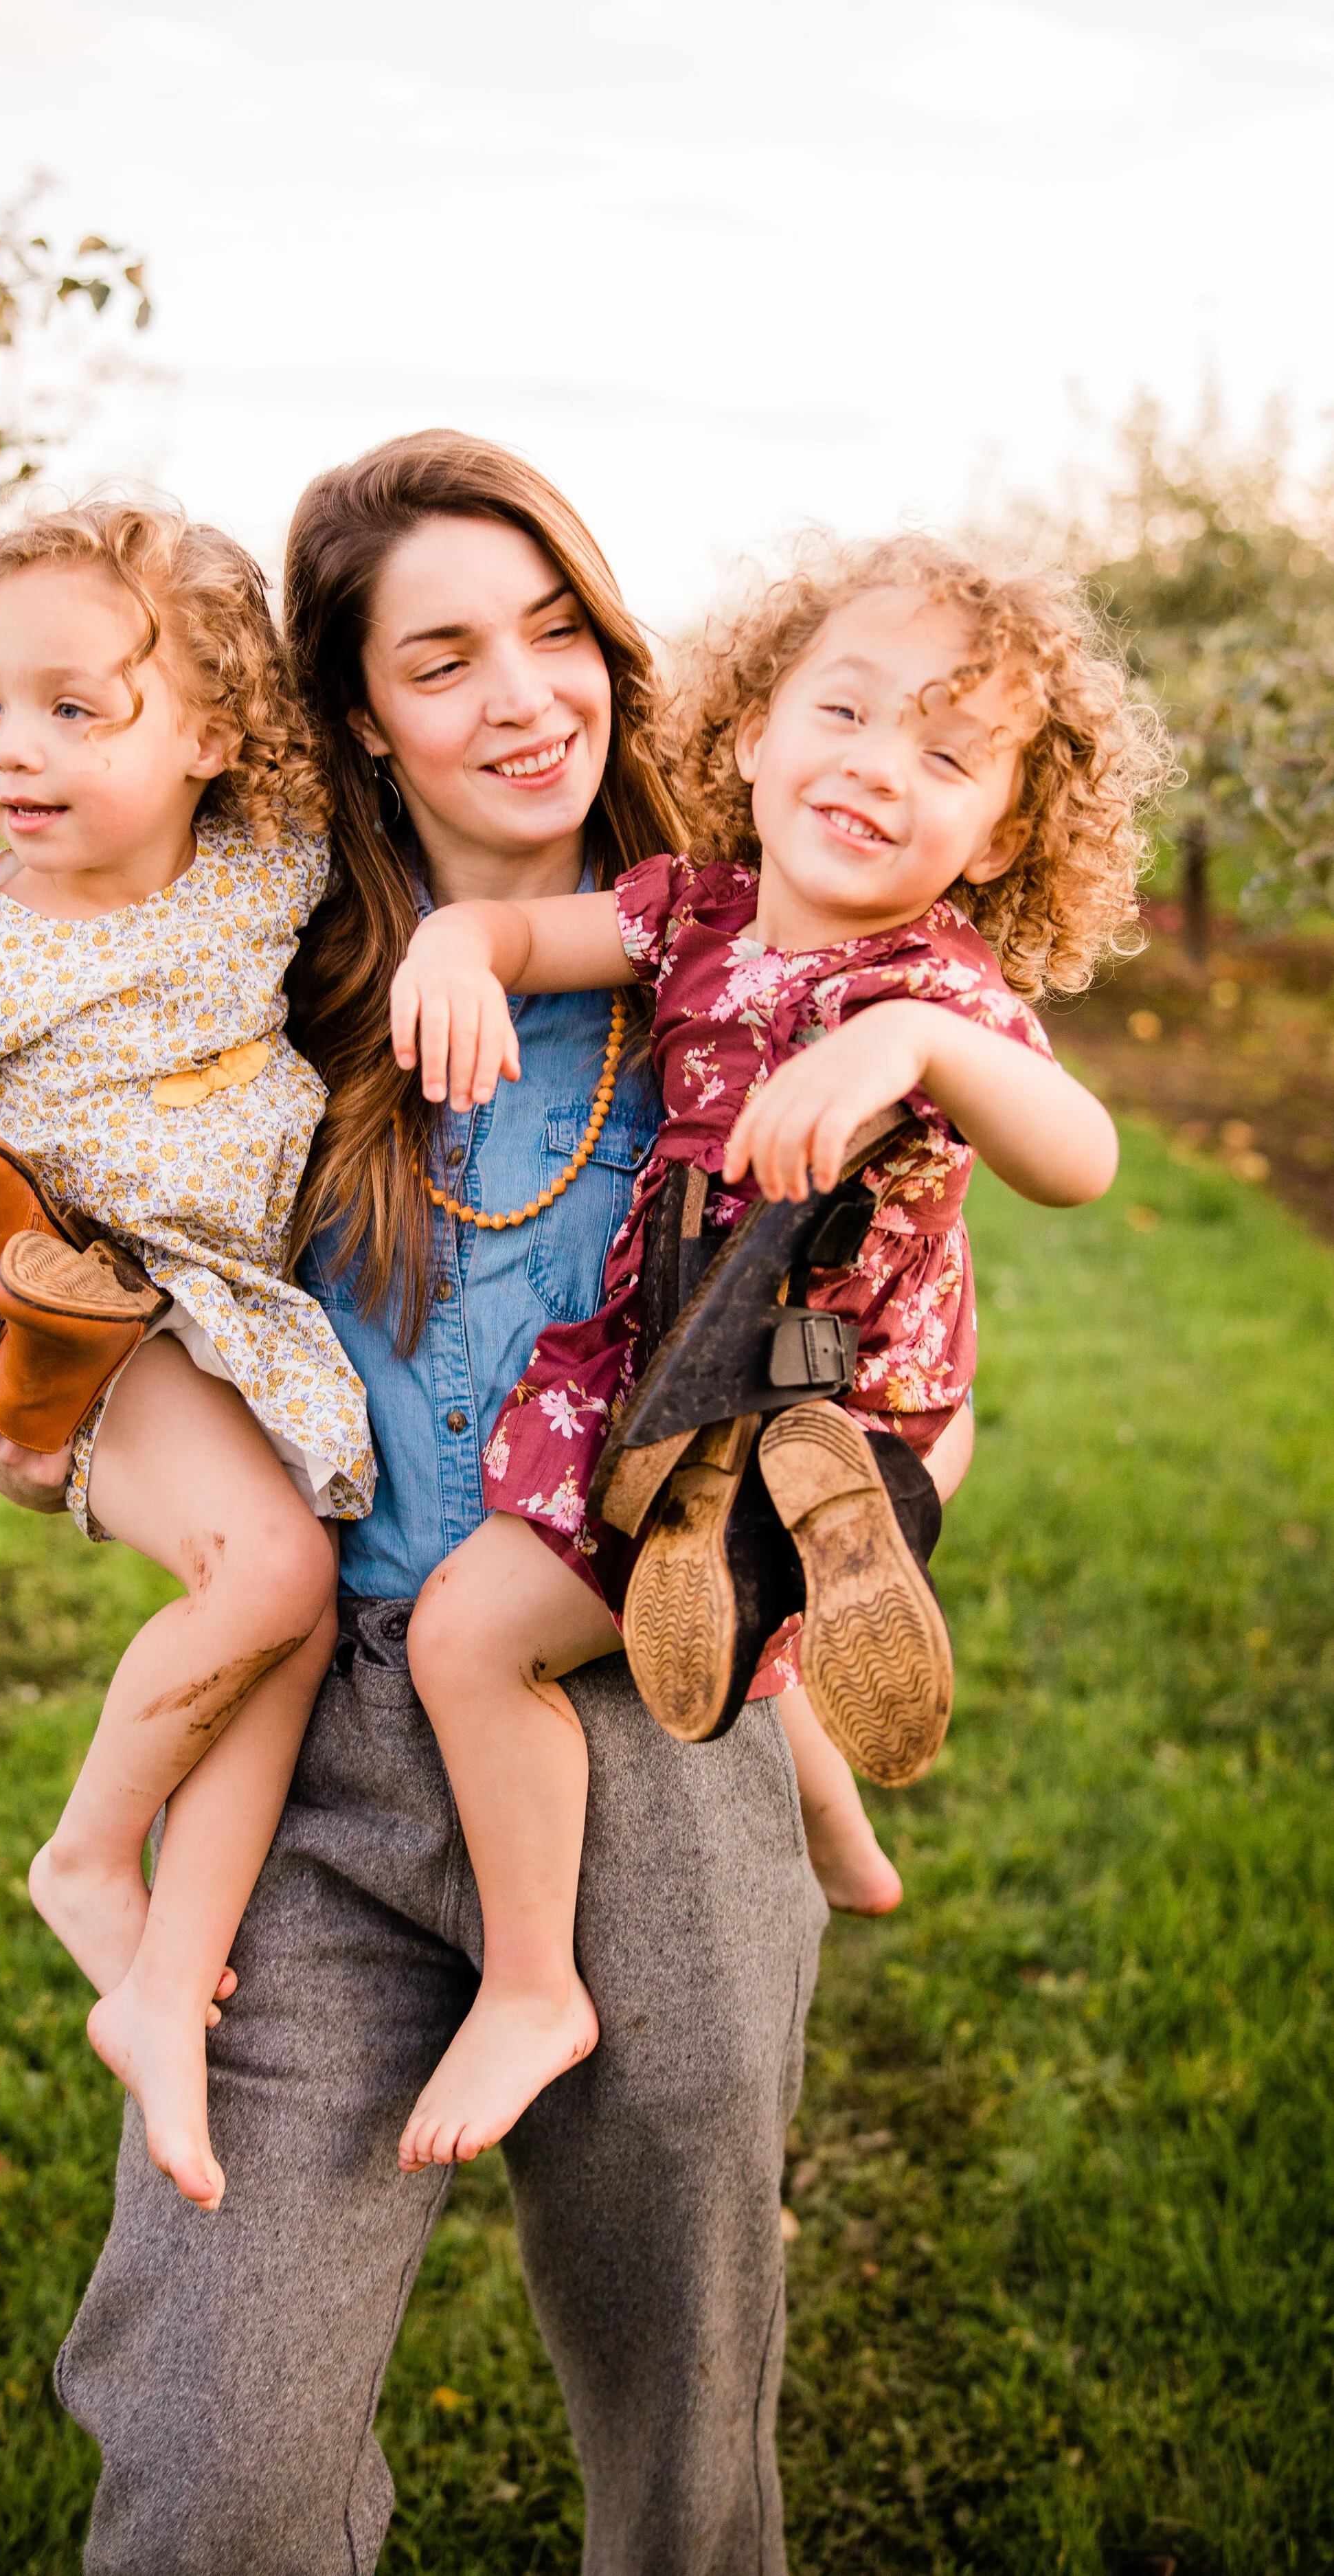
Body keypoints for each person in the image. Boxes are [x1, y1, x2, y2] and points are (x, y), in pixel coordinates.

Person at [0, 433, 830, 2576]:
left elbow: (898, 1372)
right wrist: (46, 1406)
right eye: (442, 658)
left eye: (556, 632)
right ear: (354, 709)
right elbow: (82, 1292)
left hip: (641, 1742)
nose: (524, 694)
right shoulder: (258, 977)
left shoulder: (741, 966)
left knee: (686, 2444)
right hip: (319, 1769)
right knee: (210, 2457)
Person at [389, 535, 1168, 2171]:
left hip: (835, 1381)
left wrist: (916, 1045)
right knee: (721, 1587)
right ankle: (823, 1757)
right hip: (690, 1359)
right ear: (747, 732)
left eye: (946, 757)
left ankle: (536, 1984)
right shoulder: (699, 922)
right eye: (844, 713)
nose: (879, 767)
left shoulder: (940, 985)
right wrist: (454, 946)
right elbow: (531, 939)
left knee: (469, 1635)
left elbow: (1079, 1157)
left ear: (1004, 829)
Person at [0, 501, 374, 2214]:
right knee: (271, 1567)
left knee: (282, 1627)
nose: (16, 749)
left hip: (241, 1314)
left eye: (78, 709)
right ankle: (86, 1858)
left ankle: (167, 1982)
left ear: (212, 737)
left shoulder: (265, 866)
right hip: (100, 1310)